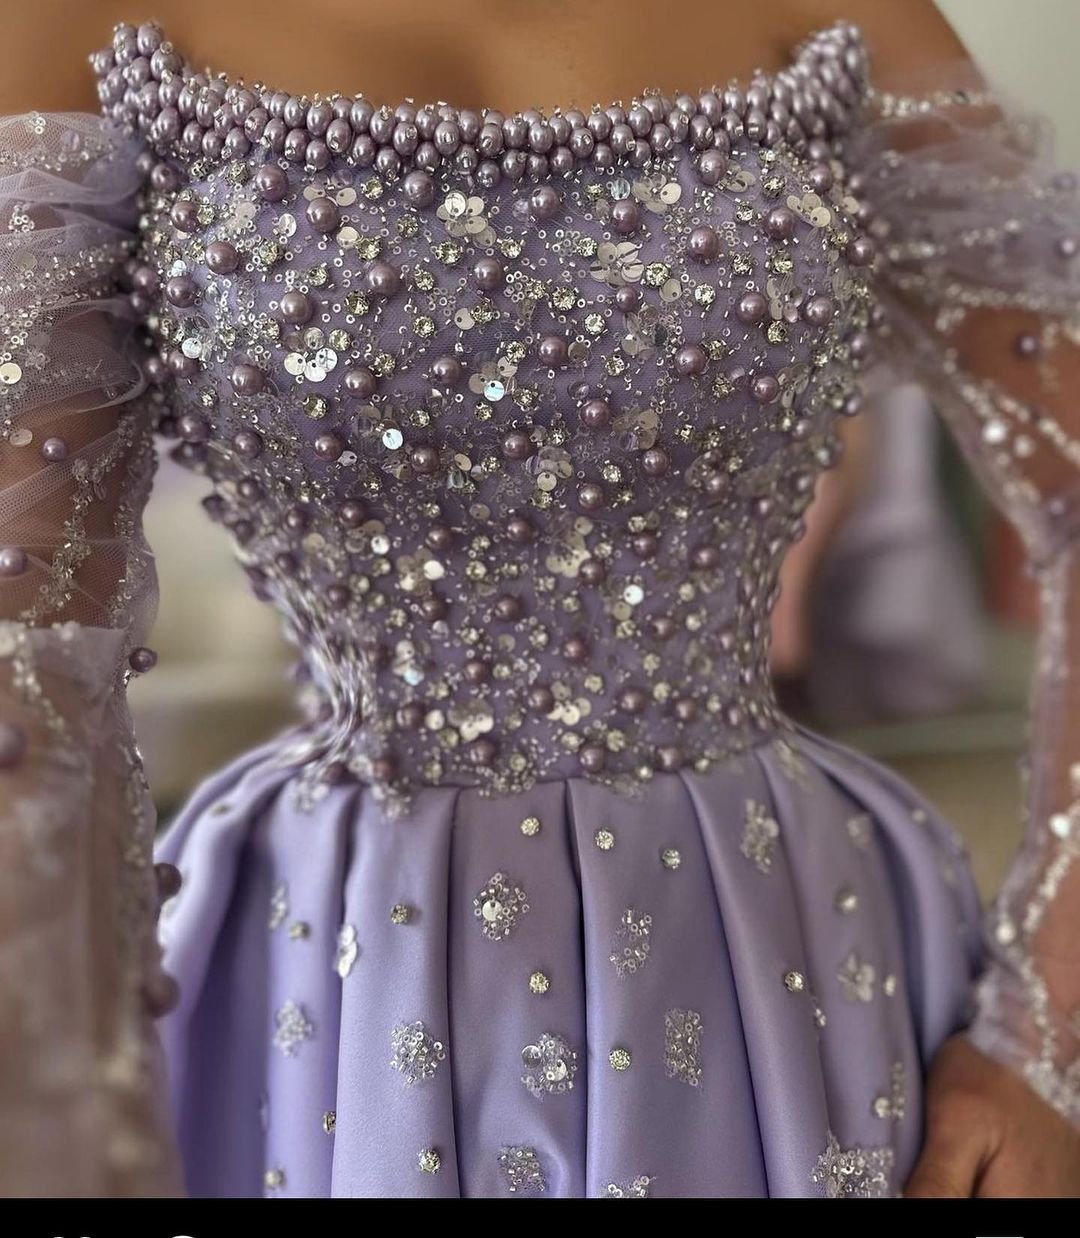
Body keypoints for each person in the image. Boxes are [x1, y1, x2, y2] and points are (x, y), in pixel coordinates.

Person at [1, 0, 1078, 1198]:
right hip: (338, 980)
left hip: (775, 953)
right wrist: (52, 1092)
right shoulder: (81, 22)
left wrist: (1048, 1031)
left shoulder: (845, 14)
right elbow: (31, 655)